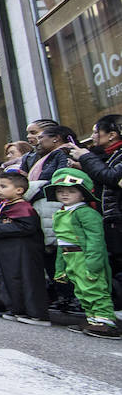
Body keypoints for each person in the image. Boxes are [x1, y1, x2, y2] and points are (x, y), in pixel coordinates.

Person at [47, 169, 120, 339]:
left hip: (84, 256)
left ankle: (107, 323)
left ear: (83, 194)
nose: (65, 194)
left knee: (95, 288)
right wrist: (60, 267)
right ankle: (93, 320)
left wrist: (94, 264)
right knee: (81, 290)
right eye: (60, 191)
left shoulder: (86, 213)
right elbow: (61, 242)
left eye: (72, 191)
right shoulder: (61, 213)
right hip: (70, 257)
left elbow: (96, 241)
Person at [0, 171, 50, 325]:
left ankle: (36, 313)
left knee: (27, 279)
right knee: (11, 279)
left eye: (3, 186)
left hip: (23, 251)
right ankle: (17, 309)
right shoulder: (6, 206)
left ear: (19, 190)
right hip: (8, 251)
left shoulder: (24, 207)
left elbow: (27, 227)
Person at [70, 115, 122, 306]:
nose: (92, 136)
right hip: (108, 217)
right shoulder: (106, 155)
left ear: (112, 135)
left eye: (96, 132)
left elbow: (110, 177)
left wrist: (85, 157)